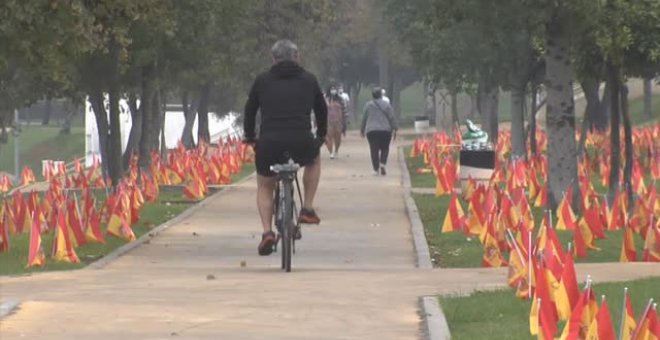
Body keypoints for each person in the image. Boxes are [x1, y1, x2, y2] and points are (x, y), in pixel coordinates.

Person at [243, 39, 327, 256]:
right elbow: (321, 109)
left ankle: (267, 232)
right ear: (297, 56)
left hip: (270, 142)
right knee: (314, 159)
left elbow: (250, 110)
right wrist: (321, 136)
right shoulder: (309, 79)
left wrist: (250, 137)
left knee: (265, 185)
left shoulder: (262, 81)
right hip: (302, 140)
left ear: (273, 59)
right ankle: (307, 208)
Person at [361, 87, 398, 176]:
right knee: (385, 148)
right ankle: (383, 163)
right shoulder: (387, 105)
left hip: (372, 130)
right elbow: (392, 117)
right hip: (385, 130)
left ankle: (375, 168)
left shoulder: (368, 105)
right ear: (381, 95)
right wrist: (395, 128)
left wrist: (362, 130)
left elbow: (364, 118)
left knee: (374, 149)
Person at [325, 85, 347, 159]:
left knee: (337, 137)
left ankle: (336, 151)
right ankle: (331, 152)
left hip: (338, 122)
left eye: (334, 89)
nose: (333, 90)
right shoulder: (325, 99)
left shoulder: (340, 99)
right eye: (332, 89)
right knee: (328, 137)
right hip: (328, 121)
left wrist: (345, 121)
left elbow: (344, 110)